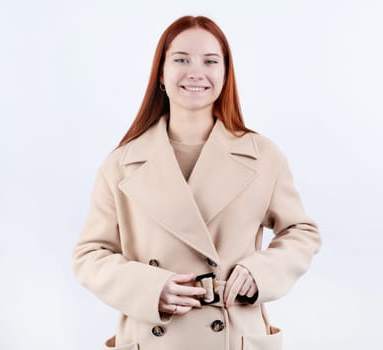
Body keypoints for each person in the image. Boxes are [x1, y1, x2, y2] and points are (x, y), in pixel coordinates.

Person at [73, 15, 321, 350]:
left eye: (210, 61)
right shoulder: (120, 164)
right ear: (161, 73)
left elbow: (301, 232)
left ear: (224, 73)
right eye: (180, 59)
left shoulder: (263, 156)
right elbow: (90, 254)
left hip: (234, 332)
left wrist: (260, 271)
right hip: (152, 336)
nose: (195, 72)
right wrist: (149, 288)